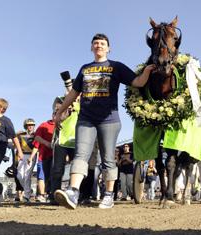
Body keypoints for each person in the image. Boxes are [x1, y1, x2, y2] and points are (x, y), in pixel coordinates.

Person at [54, 33, 155, 209]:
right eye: (95, 43)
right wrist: (60, 112)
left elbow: (137, 82)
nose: (99, 45)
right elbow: (74, 93)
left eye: (102, 43)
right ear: (92, 48)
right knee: (80, 155)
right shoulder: (85, 69)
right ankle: (73, 191)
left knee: (108, 158)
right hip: (86, 118)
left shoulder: (116, 67)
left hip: (109, 120)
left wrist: (146, 71)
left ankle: (108, 195)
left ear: (108, 48)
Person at [27, 110, 56, 202]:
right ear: (53, 114)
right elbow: (37, 141)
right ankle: (42, 195)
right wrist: (31, 157)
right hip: (43, 156)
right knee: (41, 176)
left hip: (57, 156)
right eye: (55, 113)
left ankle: (51, 194)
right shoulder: (44, 125)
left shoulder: (65, 125)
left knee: (54, 175)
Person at [16, 118, 36, 202]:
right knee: (19, 176)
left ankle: (26, 196)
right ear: (25, 126)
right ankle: (28, 190)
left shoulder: (36, 135)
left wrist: (32, 157)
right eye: (28, 125)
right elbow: (15, 141)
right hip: (22, 155)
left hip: (31, 155)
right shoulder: (21, 134)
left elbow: (37, 146)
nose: (30, 126)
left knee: (27, 176)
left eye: (32, 125)